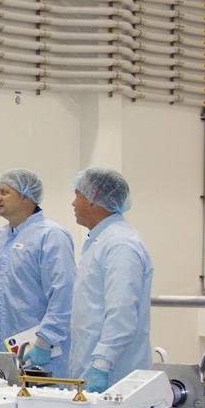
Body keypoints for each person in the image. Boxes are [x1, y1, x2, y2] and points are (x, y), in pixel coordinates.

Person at [0, 169, 76, 373]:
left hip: (43, 355)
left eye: (5, 192)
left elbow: (64, 292)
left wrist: (45, 341)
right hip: (4, 354)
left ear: (25, 196)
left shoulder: (51, 236)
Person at [69, 167, 153, 393]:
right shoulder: (101, 241)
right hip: (91, 370)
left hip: (114, 377)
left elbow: (122, 311)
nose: (73, 203)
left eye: (77, 195)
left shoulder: (121, 245)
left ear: (93, 197)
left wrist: (102, 365)